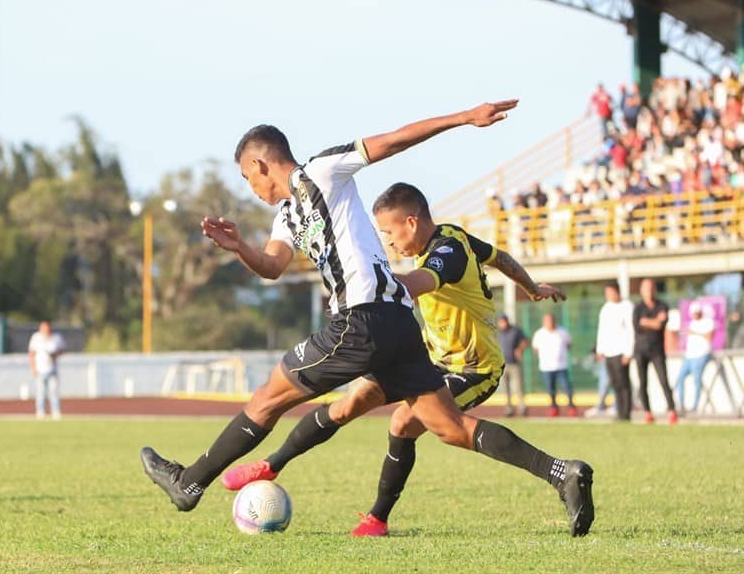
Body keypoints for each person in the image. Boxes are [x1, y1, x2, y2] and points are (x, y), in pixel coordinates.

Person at [139, 102, 594, 539]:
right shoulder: (287, 216)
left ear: (260, 164)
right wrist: (241, 250)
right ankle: (562, 472)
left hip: (359, 320)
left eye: (245, 176)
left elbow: (393, 141)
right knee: (450, 428)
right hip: (397, 324)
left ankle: (190, 483)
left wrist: (463, 118)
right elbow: (273, 265)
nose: (249, 188)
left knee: (265, 400)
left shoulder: (321, 171)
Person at [221, 181, 592, 537]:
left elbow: (417, 284)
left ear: (411, 222)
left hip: (473, 368)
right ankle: (271, 465)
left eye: (390, 233)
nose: (389, 242)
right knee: (351, 401)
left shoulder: (447, 253)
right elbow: (502, 258)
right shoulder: (456, 237)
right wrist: (533, 288)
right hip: (431, 361)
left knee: (405, 421)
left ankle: (559, 472)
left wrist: (368, 292)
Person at [633, 278, 678, 424]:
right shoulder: (638, 308)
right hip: (640, 350)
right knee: (643, 382)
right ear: (641, 291)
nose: (649, 291)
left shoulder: (662, 305)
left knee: (664, 380)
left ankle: (672, 411)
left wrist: (647, 322)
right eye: (645, 288)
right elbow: (638, 325)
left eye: (651, 288)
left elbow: (661, 324)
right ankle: (648, 412)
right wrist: (654, 322)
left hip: (657, 350)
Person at [595, 281, 634, 421]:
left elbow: (631, 330)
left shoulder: (627, 306)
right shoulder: (606, 308)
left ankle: (626, 413)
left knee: (624, 383)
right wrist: (600, 349)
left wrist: (628, 352)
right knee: (615, 383)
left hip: (621, 351)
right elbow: (602, 330)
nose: (608, 295)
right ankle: (619, 412)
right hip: (608, 351)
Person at [531, 313, 576, 417]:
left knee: (567, 387)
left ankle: (571, 407)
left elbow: (569, 345)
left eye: (551, 320)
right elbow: (535, 349)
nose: (549, 323)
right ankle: (553, 407)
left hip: (561, 366)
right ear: (544, 322)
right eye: (547, 321)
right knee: (550, 389)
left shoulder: (562, 332)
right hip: (546, 367)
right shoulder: (539, 334)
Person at [677, 302, 714, 414]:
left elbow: (709, 336)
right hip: (689, 356)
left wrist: (695, 333)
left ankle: (695, 406)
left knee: (696, 380)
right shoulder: (691, 324)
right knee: (680, 379)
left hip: (701, 355)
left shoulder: (708, 322)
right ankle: (681, 405)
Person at [27, 321, 66, 420]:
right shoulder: (36, 338)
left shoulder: (56, 338)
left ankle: (55, 412)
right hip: (40, 369)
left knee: (54, 392)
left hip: (52, 369)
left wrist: (55, 355)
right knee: (41, 392)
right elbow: (31, 353)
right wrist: (34, 368)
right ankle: (40, 412)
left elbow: (62, 350)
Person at [497, 314, 529, 416]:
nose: (503, 324)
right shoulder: (497, 333)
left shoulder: (515, 330)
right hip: (502, 365)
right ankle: (509, 409)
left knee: (518, 387)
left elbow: (525, 341)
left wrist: (520, 349)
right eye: (501, 322)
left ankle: (522, 408)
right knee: (505, 388)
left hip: (514, 363)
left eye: (504, 321)